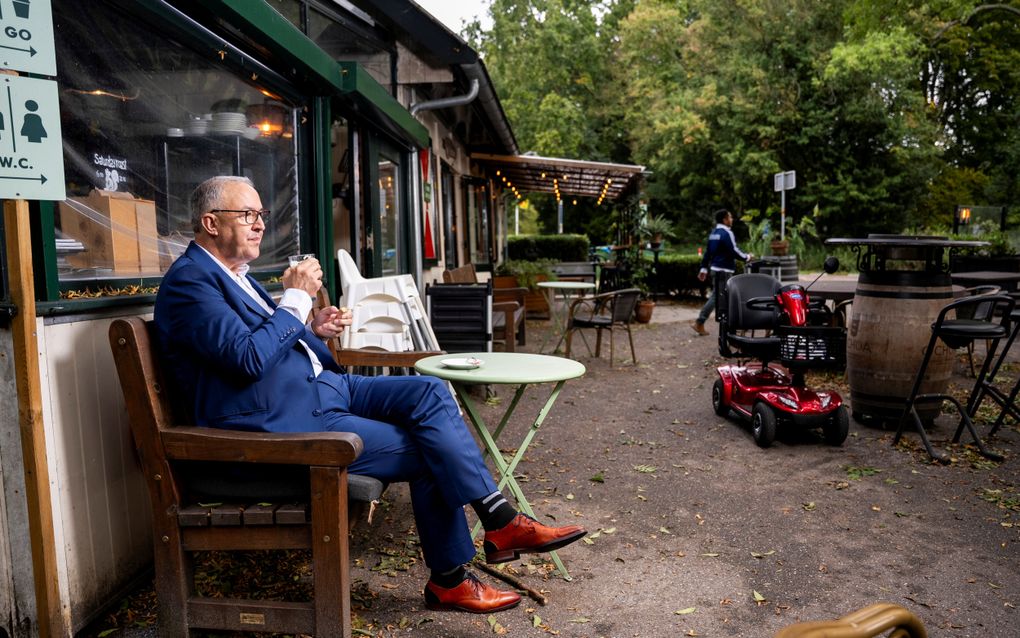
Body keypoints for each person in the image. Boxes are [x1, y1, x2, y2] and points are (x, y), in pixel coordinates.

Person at [153, 176, 586, 614]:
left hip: (321, 391)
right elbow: (246, 358)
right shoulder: (191, 283)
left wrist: (310, 329)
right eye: (247, 214)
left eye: (261, 214)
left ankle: (498, 519)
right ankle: (456, 574)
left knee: (430, 392)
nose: (260, 224)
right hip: (274, 427)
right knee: (428, 447)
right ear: (210, 222)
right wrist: (296, 301)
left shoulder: (231, 276)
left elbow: (261, 341)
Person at [692, 209, 752, 335]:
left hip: (715, 269)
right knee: (717, 298)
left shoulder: (714, 233)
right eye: (730, 217)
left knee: (725, 297)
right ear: (724, 219)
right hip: (724, 270)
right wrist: (747, 257)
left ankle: (731, 326)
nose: (732, 219)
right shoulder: (726, 233)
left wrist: (703, 268)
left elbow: (708, 252)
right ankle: (700, 322)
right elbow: (733, 250)